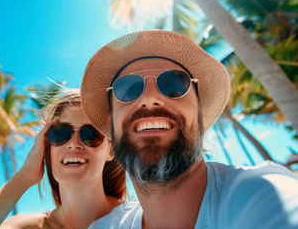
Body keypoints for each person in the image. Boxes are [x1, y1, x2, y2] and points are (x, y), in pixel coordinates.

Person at [80, 30, 298, 228]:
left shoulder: (264, 195)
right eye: (127, 91)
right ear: (111, 123)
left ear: (200, 113)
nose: (148, 98)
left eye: (174, 87)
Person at [0, 90, 128, 229]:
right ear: (46, 145)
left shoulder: (139, 217)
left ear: (111, 151)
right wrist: (25, 176)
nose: (74, 144)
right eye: (60, 133)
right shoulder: (25, 227)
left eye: (91, 134)